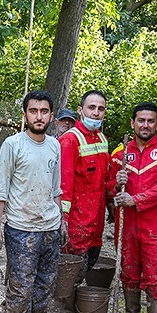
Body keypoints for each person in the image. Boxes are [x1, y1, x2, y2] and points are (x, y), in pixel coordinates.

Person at [0, 90, 64, 313]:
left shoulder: (55, 145)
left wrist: (61, 222)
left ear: (51, 116)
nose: (39, 116)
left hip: (50, 228)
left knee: (45, 286)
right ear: (25, 115)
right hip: (21, 229)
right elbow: (1, 189)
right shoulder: (13, 145)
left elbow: (56, 189)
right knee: (20, 288)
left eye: (44, 111)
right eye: (33, 111)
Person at [109, 102, 157, 313]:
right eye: (141, 120)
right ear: (133, 123)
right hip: (126, 226)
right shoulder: (119, 153)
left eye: (151, 121)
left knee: (155, 279)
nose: (146, 125)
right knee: (128, 275)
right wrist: (116, 183)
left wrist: (136, 200)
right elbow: (108, 187)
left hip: (155, 227)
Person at [58, 90, 112, 277]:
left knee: (88, 266)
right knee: (70, 274)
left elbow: (105, 181)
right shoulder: (70, 140)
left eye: (101, 109)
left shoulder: (102, 139)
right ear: (80, 110)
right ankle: (65, 306)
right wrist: (63, 220)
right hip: (76, 223)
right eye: (91, 108)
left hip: (95, 223)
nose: (96, 113)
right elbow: (63, 185)